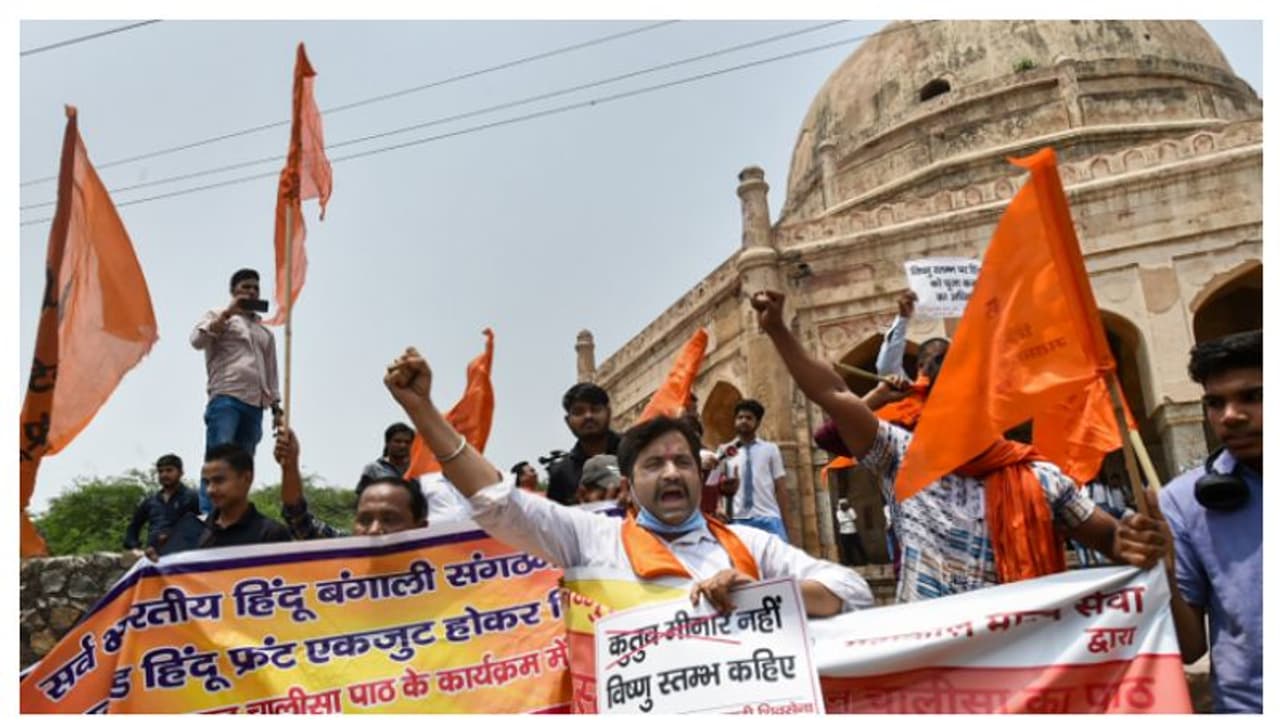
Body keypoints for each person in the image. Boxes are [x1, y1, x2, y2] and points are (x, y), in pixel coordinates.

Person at [383, 346, 872, 616]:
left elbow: (849, 588)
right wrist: (422, 409)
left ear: (700, 476)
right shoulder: (590, 539)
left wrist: (764, 591)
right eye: (653, 465)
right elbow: (496, 501)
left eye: (682, 462)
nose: (672, 472)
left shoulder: (747, 544)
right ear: (629, 485)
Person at [749, 289, 1167, 603]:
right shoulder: (904, 457)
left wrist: (1134, 540)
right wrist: (779, 331)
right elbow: (833, 393)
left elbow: (1110, 540)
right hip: (935, 662)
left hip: (1021, 652)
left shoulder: (1040, 478)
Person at [1156, 330, 1262, 713]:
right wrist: (1163, 570)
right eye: (1216, 403)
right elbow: (1188, 649)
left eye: (1253, 396)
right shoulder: (1183, 502)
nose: (1230, 416)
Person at [190, 268, 282, 515]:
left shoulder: (265, 333)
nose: (251, 291)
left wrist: (276, 407)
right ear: (233, 291)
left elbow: (272, 372)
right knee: (219, 455)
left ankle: (234, 514)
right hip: (227, 397)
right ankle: (209, 514)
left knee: (244, 463)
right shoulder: (219, 316)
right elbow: (196, 341)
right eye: (246, 287)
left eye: (255, 288)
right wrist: (229, 311)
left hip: (255, 404)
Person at [276, 428, 429, 539]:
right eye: (365, 520)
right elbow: (299, 520)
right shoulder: (348, 550)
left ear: (420, 527)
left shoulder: (441, 567)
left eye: (389, 519)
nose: (374, 530)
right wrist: (290, 467)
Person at [717, 400, 790, 541]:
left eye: (749, 418)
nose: (744, 421)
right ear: (734, 421)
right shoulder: (724, 450)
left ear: (757, 423)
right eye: (740, 417)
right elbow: (715, 483)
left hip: (768, 517)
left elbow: (780, 487)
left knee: (776, 562)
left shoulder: (770, 449)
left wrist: (785, 523)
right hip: (737, 519)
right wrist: (719, 507)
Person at [198, 443, 292, 549]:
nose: (210, 490)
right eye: (206, 482)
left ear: (247, 478)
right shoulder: (197, 531)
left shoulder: (270, 535)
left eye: (219, 481)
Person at [545, 382, 622, 505]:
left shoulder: (636, 450)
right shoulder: (560, 474)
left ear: (608, 413)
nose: (588, 416)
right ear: (568, 421)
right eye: (579, 411)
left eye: (595, 409)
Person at [124, 454, 199, 560]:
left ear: (181, 473)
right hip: (153, 557)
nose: (164, 475)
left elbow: (205, 527)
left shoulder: (192, 497)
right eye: (160, 471)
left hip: (182, 558)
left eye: (169, 470)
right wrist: (135, 547)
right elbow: (133, 527)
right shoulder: (150, 501)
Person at [875, 290, 950, 383]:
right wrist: (903, 318)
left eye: (945, 359)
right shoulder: (911, 392)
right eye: (938, 359)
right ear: (920, 365)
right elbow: (888, 369)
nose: (939, 366)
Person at [835, 499, 867, 566]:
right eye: (842, 505)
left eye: (845, 504)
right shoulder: (838, 512)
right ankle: (851, 562)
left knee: (859, 546)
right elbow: (840, 521)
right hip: (844, 532)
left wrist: (847, 517)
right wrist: (849, 519)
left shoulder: (851, 510)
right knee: (847, 548)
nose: (844, 506)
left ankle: (865, 561)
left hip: (853, 530)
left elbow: (855, 517)